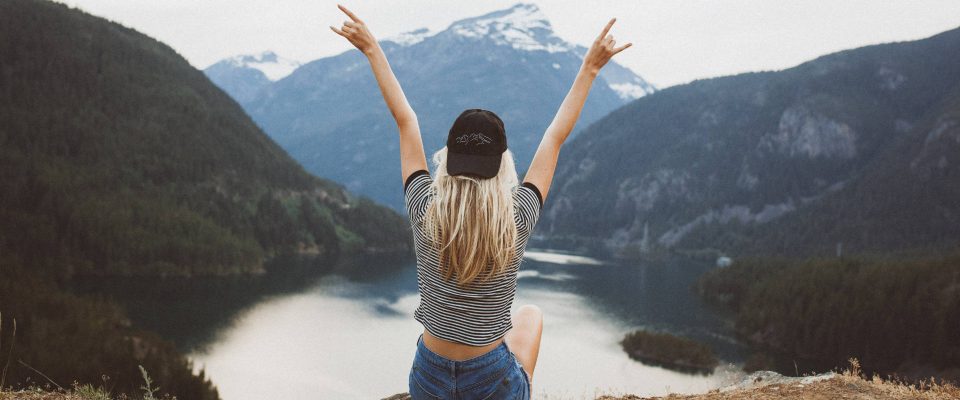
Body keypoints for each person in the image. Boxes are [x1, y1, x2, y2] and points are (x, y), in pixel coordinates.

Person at [331, 4, 630, 398]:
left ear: (448, 162)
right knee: (531, 315)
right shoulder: (517, 218)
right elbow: (555, 136)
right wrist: (590, 69)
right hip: (492, 381)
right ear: (502, 166)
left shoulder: (425, 208)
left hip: (428, 377)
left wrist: (372, 50)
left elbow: (406, 120)